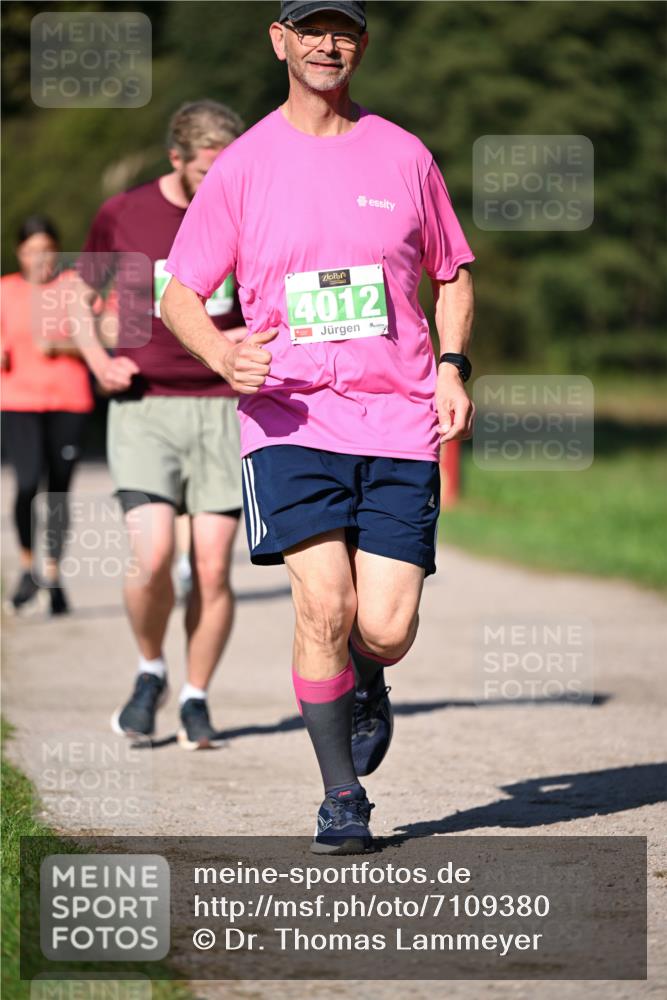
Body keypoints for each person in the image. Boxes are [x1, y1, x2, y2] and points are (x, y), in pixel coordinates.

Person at [162, 1, 475, 851]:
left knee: (385, 628)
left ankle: (366, 675)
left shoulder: (403, 154)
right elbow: (181, 293)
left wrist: (451, 366)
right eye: (310, 29)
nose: (326, 45)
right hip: (289, 419)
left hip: (399, 418)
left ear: (360, 45)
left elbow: (451, 273)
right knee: (324, 604)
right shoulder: (244, 166)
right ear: (280, 41)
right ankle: (341, 796)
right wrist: (222, 355)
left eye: (342, 31)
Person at [72, 101, 248, 749]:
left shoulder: (247, 208)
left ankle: (196, 697)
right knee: (151, 558)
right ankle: (151, 670)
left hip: (225, 407)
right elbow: (79, 298)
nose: (217, 185)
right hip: (145, 406)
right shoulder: (125, 212)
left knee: (213, 568)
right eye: (205, 172)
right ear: (176, 158)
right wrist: (99, 362)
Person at [1, 215, 96, 616]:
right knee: (26, 484)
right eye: (31, 251)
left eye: (47, 250)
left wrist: (61, 346)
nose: (39, 258)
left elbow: (105, 338)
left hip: (68, 401)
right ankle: (28, 569)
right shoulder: (5, 290)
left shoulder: (74, 287)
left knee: (58, 491)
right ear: (19, 253)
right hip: (18, 402)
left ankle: (53, 575)